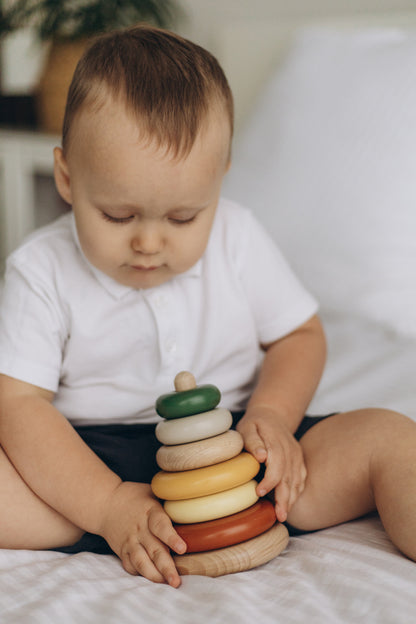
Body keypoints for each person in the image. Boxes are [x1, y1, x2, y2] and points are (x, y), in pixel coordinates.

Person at [0, 25, 415, 590]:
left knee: (390, 438)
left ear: (219, 181)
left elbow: (299, 336)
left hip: (244, 452)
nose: (149, 243)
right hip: (89, 458)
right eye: (118, 217)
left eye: (183, 218)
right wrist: (104, 504)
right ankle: (116, 524)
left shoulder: (239, 238)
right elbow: (19, 403)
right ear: (68, 176)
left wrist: (273, 417)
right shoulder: (39, 269)